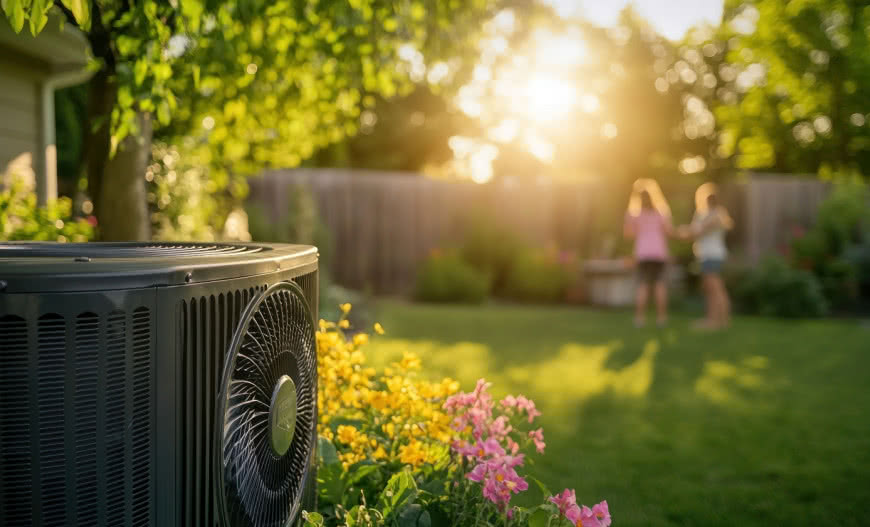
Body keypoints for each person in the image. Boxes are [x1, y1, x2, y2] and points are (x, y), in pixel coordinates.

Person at [682, 182, 733, 330]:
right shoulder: (703, 214)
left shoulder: (717, 214)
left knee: (716, 288)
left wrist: (687, 231)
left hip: (713, 255)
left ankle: (720, 320)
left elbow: (698, 230)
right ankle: (713, 319)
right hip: (706, 256)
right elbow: (693, 231)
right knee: (710, 288)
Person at [624, 179, 673, 327]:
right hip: (659, 253)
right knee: (660, 285)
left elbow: (628, 234)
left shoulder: (634, 214)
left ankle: (639, 319)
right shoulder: (662, 212)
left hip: (642, 253)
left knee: (642, 285)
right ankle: (662, 319)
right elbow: (668, 231)